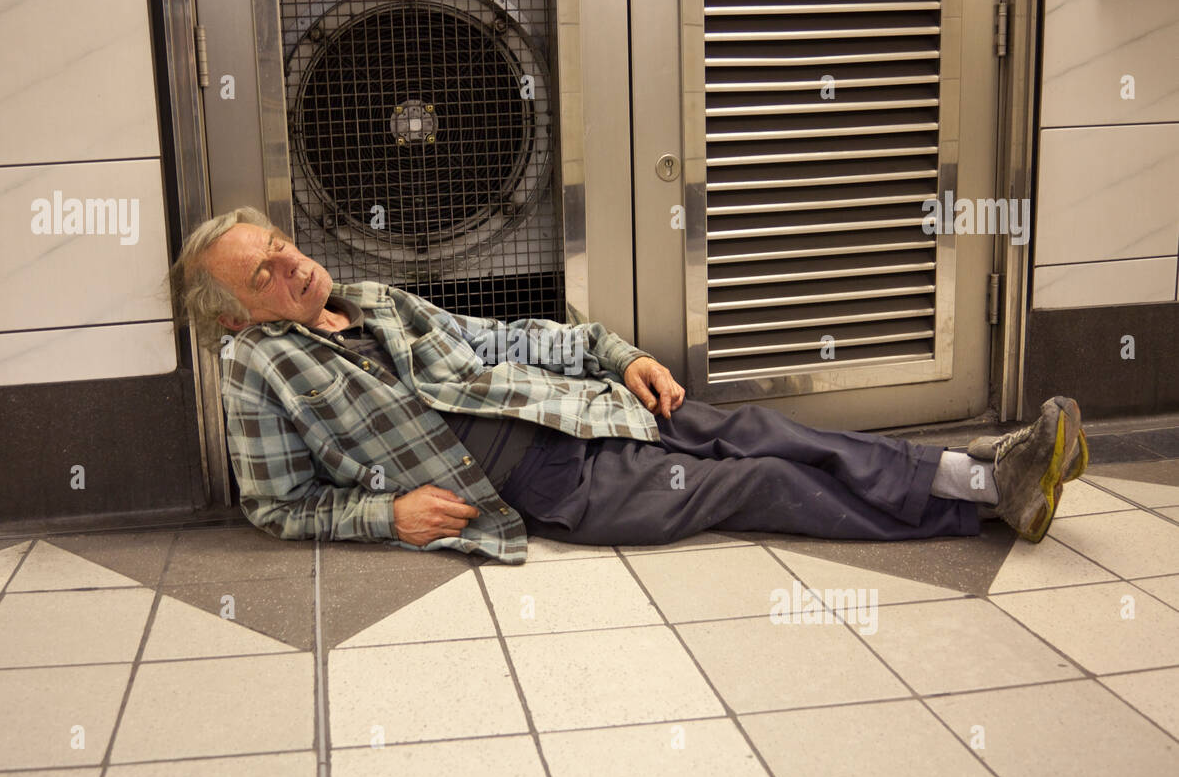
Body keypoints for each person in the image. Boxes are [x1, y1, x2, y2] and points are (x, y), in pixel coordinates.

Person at [169, 207, 1087, 565]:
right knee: (757, 481)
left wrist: (616, 357)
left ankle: (985, 475)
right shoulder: (256, 367)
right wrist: (388, 517)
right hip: (555, 487)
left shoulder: (372, 299)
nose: (291, 267)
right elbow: (277, 504)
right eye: (263, 277)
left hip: (580, 411)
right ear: (237, 318)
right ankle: (985, 509)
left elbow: (507, 335)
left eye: (280, 247)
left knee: (766, 429)